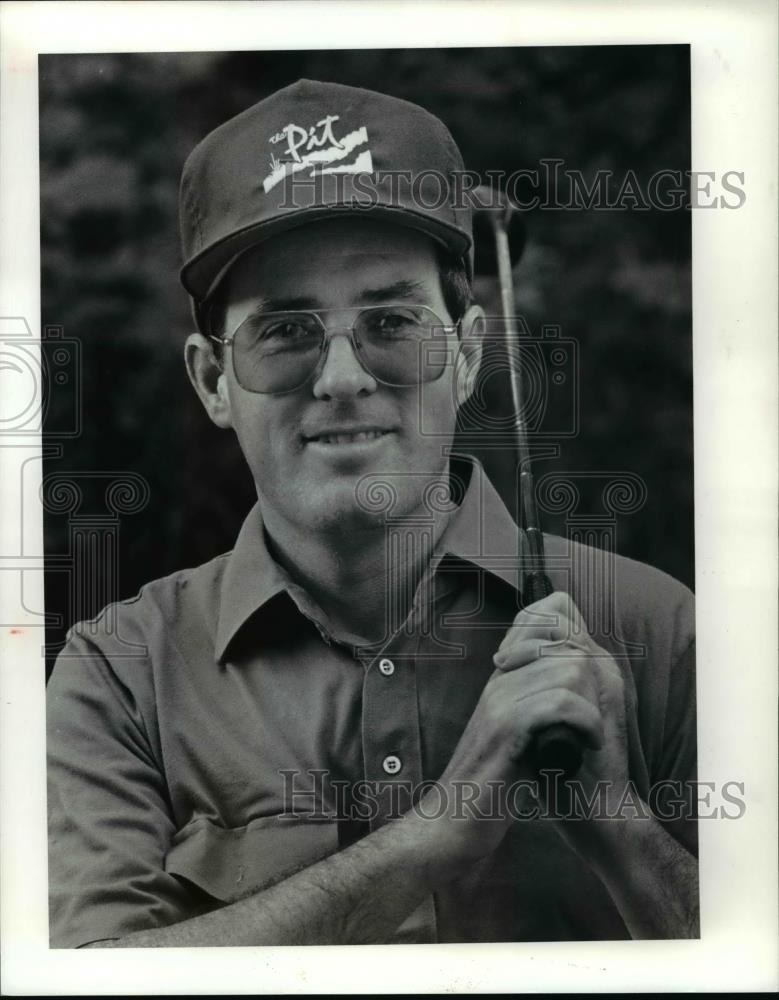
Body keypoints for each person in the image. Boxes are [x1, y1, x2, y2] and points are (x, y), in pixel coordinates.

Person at [47, 79, 698, 947]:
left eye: (392, 321)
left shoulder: (663, 631)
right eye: (284, 332)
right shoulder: (118, 674)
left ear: (466, 357)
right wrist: (436, 834)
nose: (344, 377)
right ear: (212, 380)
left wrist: (618, 823)